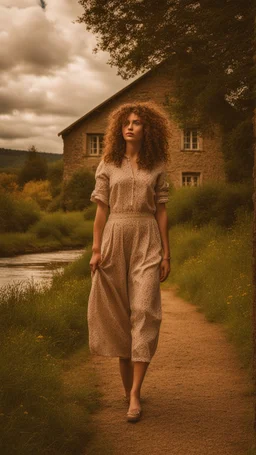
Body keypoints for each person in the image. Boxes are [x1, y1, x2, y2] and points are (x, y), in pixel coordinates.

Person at [88, 100, 171, 423]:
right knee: (118, 315)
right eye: (126, 121)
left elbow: (162, 210)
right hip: (114, 236)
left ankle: (135, 393)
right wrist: (96, 250)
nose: (130, 126)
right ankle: (128, 393)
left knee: (146, 310)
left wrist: (167, 252)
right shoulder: (108, 163)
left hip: (147, 236)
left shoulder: (157, 164)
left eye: (137, 122)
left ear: (147, 129)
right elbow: (100, 211)